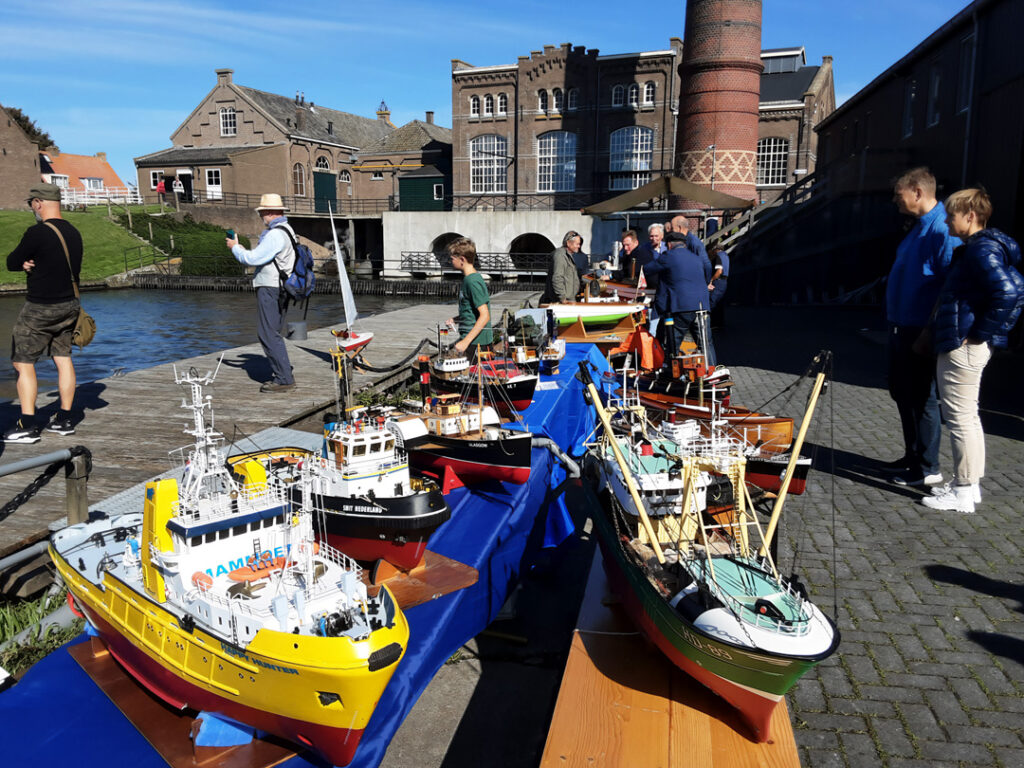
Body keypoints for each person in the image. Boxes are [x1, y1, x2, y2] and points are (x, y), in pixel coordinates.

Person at [922, 189, 1023, 514]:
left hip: (962, 345)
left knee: (960, 417)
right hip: (965, 341)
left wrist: (979, 335)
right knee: (968, 415)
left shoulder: (981, 250)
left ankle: (964, 490)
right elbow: (1014, 287)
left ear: (970, 215)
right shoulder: (981, 249)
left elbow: (1009, 293)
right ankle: (969, 485)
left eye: (952, 214)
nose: (948, 220)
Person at [884, 168, 959, 487]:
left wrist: (930, 330)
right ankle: (913, 455)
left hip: (920, 328)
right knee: (902, 392)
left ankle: (928, 467)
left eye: (899, 195)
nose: (895, 201)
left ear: (917, 192)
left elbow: (950, 283)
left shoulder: (942, 229)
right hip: (901, 324)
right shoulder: (917, 229)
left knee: (922, 397)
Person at [3, 183, 82, 443]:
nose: (32, 208)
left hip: (40, 307)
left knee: (22, 362)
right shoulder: (73, 231)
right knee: (63, 357)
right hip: (70, 305)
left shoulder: (37, 232)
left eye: (31, 204)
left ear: (38, 203)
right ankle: (65, 419)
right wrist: (31, 262)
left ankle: (27, 424)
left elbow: (12, 261)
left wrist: (23, 263)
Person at [225, 193, 297, 393]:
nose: (261, 217)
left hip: (270, 287)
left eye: (262, 212)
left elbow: (252, 258)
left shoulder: (274, 235)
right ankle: (283, 372)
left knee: (267, 333)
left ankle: (284, 379)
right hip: (283, 287)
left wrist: (235, 247)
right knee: (272, 332)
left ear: (270, 212)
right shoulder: (288, 230)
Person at [645, 227, 715, 365]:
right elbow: (707, 269)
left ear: (669, 245)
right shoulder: (696, 258)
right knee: (706, 344)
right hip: (702, 306)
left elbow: (648, 269)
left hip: (682, 306)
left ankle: (672, 372)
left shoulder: (668, 256)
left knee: (673, 342)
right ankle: (711, 372)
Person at [447, 237, 493, 355]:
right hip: (472, 340)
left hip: (477, 343)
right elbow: (471, 310)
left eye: (452, 258)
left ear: (462, 259)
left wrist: (465, 342)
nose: (450, 261)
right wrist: (456, 319)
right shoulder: (469, 279)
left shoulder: (472, 282)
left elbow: (485, 315)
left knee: (474, 373)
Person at [541, 230, 582, 303]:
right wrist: (562, 298)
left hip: (569, 300)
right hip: (561, 302)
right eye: (577, 244)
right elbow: (557, 278)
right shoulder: (560, 255)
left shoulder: (568, 256)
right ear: (569, 243)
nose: (579, 246)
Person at [708, 244, 729, 327]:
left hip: (718, 281)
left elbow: (719, 271)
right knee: (720, 304)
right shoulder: (726, 256)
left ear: (715, 249)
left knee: (713, 303)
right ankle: (719, 324)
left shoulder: (718, 256)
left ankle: (712, 324)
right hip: (724, 281)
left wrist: (711, 280)